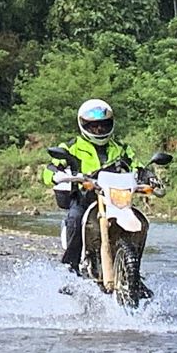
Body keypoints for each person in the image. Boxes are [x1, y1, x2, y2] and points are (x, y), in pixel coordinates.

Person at [42, 97, 135, 273]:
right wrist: (56, 175)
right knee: (76, 219)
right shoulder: (72, 147)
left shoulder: (121, 148)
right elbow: (50, 168)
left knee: (137, 222)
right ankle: (71, 269)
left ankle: (132, 270)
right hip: (85, 198)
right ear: (84, 125)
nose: (99, 129)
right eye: (94, 126)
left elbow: (136, 164)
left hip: (115, 199)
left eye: (103, 124)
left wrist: (148, 175)